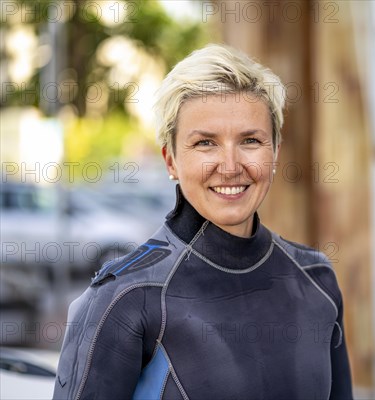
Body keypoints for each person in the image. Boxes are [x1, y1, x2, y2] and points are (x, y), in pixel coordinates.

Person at [53, 44, 353, 399]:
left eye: (251, 140)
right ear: (171, 160)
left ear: (275, 150)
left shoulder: (316, 279)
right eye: (206, 143)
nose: (229, 165)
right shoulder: (123, 299)